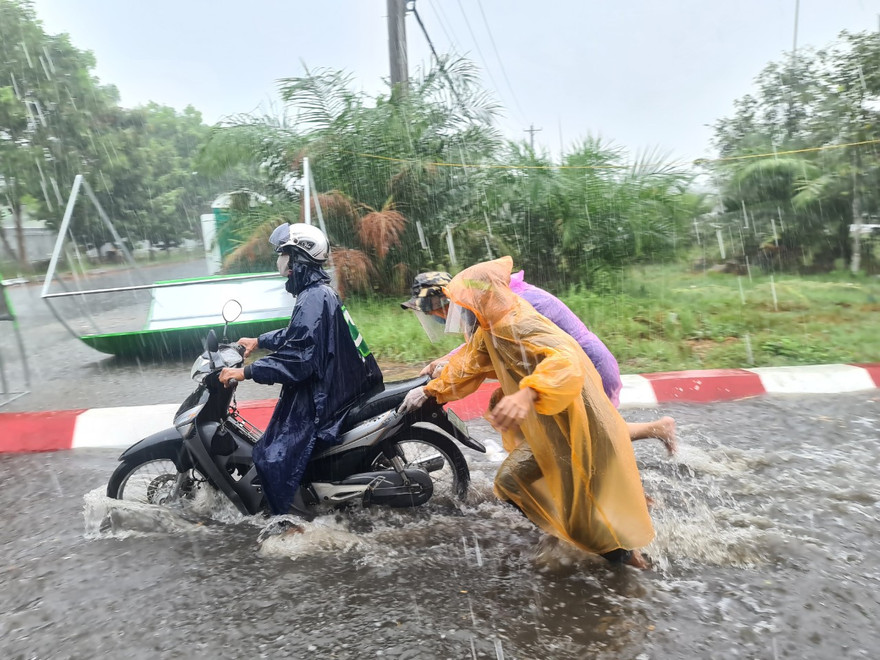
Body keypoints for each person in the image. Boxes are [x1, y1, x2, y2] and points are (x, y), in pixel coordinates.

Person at [398, 257, 654, 568]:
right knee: (511, 484)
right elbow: (468, 367)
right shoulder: (489, 329)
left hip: (575, 418)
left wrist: (529, 393)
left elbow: (565, 360)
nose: (456, 312)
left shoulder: (518, 322)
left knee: (582, 508)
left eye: (462, 303)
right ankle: (576, 534)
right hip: (549, 425)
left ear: (481, 298)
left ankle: (625, 559)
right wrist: (429, 391)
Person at [401, 270, 677, 454]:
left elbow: (480, 356)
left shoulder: (506, 304)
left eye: (435, 311)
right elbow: (478, 347)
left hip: (580, 368)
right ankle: (657, 430)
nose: (437, 317)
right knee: (588, 439)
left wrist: (432, 388)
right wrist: (446, 360)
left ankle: (633, 507)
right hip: (563, 369)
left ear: (443, 305)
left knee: (590, 447)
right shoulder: (484, 299)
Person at [219, 222, 383, 515]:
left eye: (284, 254)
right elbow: (300, 336)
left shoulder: (313, 297)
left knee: (273, 455)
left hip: (327, 392)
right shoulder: (317, 293)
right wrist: (260, 340)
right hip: (341, 382)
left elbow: (298, 360)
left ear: (299, 258)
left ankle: (290, 520)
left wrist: (246, 372)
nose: (280, 261)